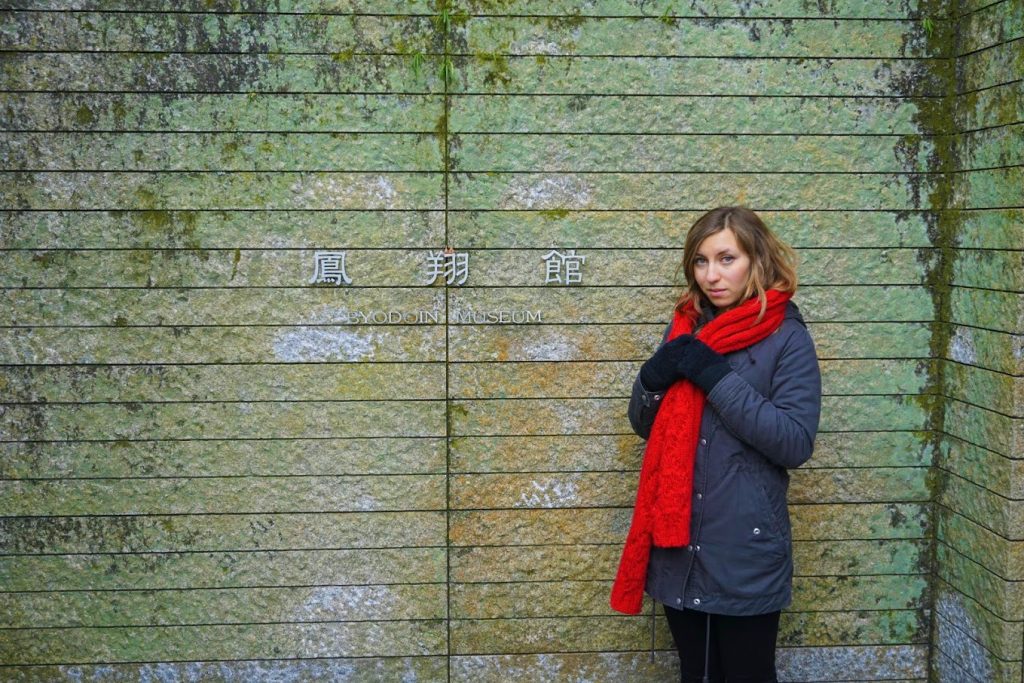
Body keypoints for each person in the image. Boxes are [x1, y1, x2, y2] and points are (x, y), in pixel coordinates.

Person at [609, 206, 822, 683]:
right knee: (695, 674)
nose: (711, 275)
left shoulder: (787, 336)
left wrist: (715, 377)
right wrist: (650, 380)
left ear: (757, 259)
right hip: (678, 544)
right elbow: (648, 426)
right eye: (701, 262)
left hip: (743, 551)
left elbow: (794, 441)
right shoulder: (686, 326)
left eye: (726, 259)